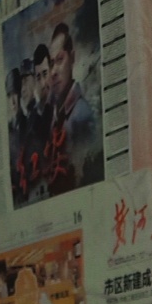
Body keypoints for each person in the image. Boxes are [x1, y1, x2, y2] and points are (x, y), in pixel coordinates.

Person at [47, 21, 101, 190]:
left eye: (60, 60)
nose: (54, 71)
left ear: (73, 58)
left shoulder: (81, 115)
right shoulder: (56, 117)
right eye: (51, 63)